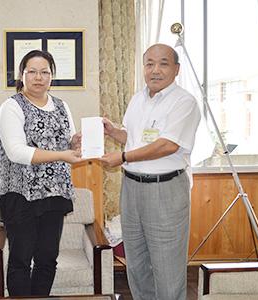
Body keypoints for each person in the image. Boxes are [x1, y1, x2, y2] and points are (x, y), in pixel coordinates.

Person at [100, 44, 201, 300]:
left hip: (164, 189)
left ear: (176, 69)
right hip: (131, 188)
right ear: (143, 67)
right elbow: (134, 139)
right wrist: (114, 132)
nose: (155, 70)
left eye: (163, 63)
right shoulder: (138, 99)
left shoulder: (184, 102)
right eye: (149, 64)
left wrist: (122, 156)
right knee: (136, 264)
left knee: (168, 269)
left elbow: (167, 145)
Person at [0, 50, 82, 296]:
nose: (38, 77)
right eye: (32, 71)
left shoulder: (62, 106)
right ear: (21, 75)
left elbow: (68, 144)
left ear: (52, 76)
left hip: (54, 194)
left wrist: (76, 144)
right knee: (21, 260)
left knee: (47, 259)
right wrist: (63, 155)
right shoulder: (11, 106)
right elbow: (17, 152)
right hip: (20, 195)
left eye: (45, 72)